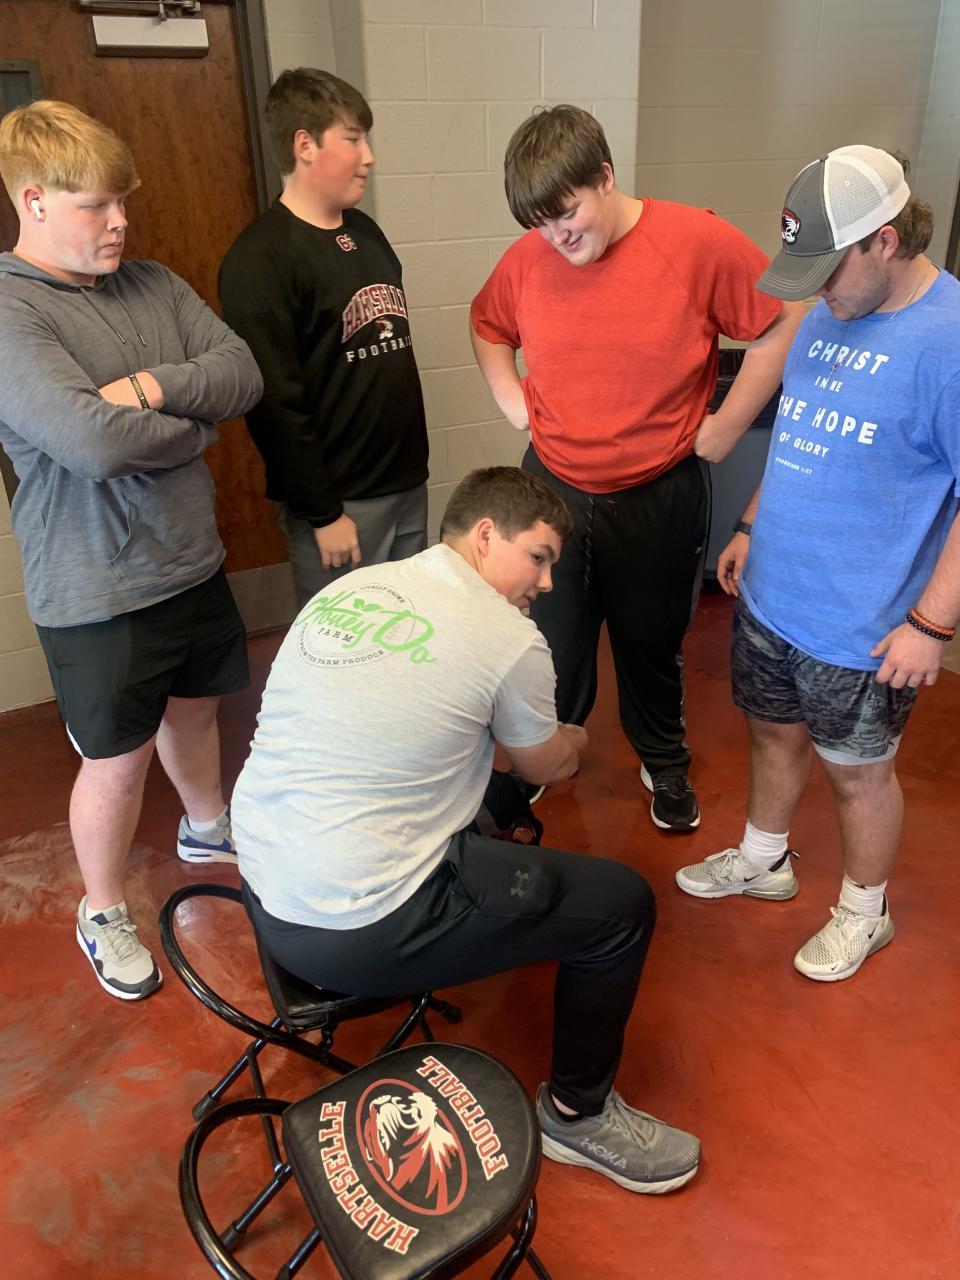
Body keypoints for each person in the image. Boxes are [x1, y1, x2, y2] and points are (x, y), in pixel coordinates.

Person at [232, 466, 701, 1195]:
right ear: (486, 535)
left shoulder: (357, 588)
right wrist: (574, 740)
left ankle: (494, 914)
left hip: (264, 884)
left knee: (497, 792)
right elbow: (549, 764)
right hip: (355, 930)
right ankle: (578, 1117)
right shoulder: (507, 636)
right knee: (622, 905)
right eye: (538, 558)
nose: (545, 583)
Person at [470, 105, 803, 832]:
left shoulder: (695, 240)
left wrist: (727, 426)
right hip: (553, 488)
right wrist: (512, 400)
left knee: (651, 641)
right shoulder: (528, 258)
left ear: (605, 176)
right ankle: (544, 757)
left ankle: (664, 759)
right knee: (549, 639)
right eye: (541, 224)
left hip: (659, 489)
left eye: (568, 214)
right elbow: (487, 325)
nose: (558, 237)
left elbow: (782, 321)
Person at [675, 146, 960, 982]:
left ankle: (865, 913)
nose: (817, 289)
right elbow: (802, 437)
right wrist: (752, 526)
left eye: (828, 268)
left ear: (885, 240)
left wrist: (930, 624)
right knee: (771, 734)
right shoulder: (827, 313)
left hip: (864, 626)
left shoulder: (948, 341)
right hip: (774, 595)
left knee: (857, 775)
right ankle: (765, 860)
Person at [0, 101, 263, 1000]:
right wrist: (195, 431)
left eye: (124, 202)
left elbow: (241, 372)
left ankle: (207, 827)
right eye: (96, 206)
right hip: (97, 588)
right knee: (116, 760)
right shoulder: (11, 310)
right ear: (34, 201)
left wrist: (150, 385)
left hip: (189, 559)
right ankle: (103, 909)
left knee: (196, 712)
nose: (119, 222)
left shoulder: (152, 283)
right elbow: (91, 443)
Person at [219, 68, 429, 607]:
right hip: (340, 507)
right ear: (305, 145)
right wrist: (323, 513)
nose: (369, 157)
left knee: (409, 631)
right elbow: (274, 404)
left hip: (406, 485)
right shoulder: (259, 259)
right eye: (353, 139)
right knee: (349, 645)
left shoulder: (366, 232)